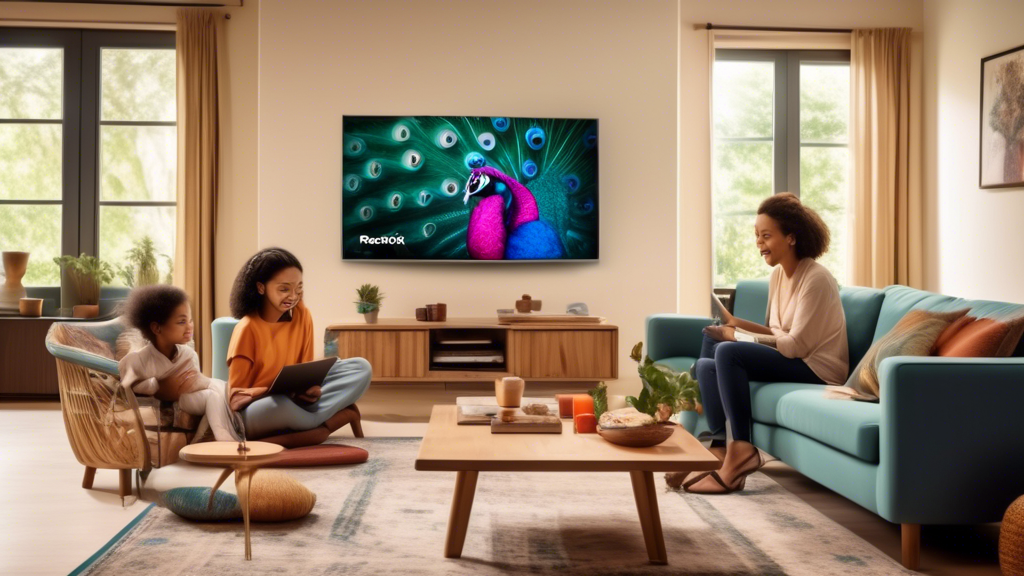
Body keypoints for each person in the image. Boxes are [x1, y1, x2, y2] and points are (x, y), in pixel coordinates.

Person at [670, 193, 848, 494]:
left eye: (766, 235)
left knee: (728, 350)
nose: (759, 243)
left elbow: (795, 347)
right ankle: (718, 446)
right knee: (708, 351)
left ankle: (742, 450)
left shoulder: (816, 279)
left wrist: (736, 337)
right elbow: (775, 331)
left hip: (817, 368)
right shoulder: (779, 275)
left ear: (791, 238)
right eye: (757, 236)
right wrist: (733, 323)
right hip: (794, 356)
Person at [227, 247, 372, 447]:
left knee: (360, 367)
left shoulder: (302, 315)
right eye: (284, 289)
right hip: (260, 408)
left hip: (296, 400)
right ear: (261, 288)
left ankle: (308, 422)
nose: (293, 296)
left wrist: (309, 388)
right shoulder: (247, 329)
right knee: (280, 406)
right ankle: (315, 422)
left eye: (299, 288)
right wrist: (275, 391)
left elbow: (305, 368)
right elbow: (235, 397)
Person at [120, 285, 240, 442]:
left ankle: (219, 437)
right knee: (216, 390)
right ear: (156, 328)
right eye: (182, 321)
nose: (190, 327)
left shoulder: (189, 355)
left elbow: (197, 384)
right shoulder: (137, 359)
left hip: (185, 399)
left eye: (190, 320)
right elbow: (127, 388)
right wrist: (158, 386)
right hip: (159, 403)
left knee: (215, 392)